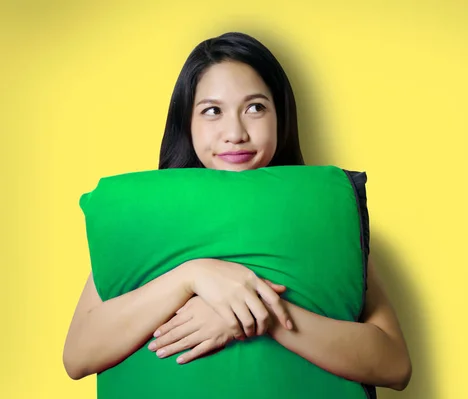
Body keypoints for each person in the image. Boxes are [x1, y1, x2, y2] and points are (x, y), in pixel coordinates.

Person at [63, 31, 412, 394]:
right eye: (212, 111)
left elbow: (395, 365)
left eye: (255, 107)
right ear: (187, 123)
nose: (235, 133)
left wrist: (256, 314)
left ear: (281, 116)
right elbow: (78, 356)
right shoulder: (150, 219)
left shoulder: (328, 215)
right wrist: (192, 277)